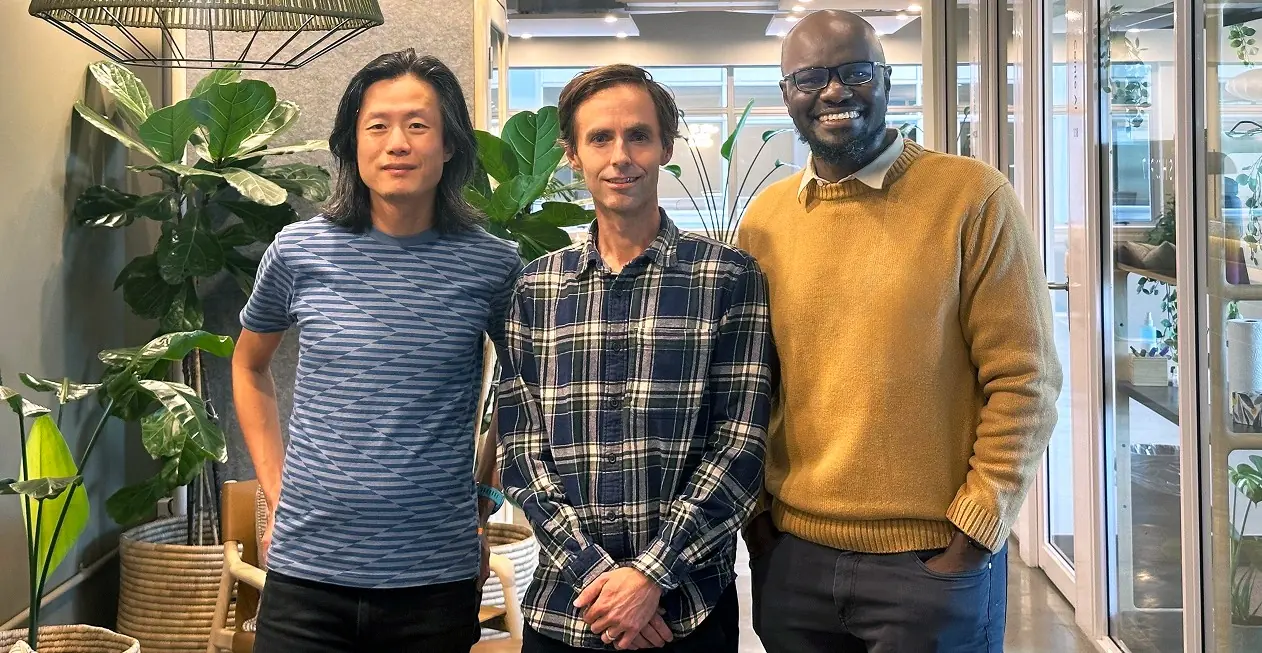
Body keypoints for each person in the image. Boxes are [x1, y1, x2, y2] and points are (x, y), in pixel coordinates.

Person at [738, 10, 1062, 653]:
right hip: (794, 560)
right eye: (810, 77)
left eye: (855, 72)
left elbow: (1026, 377)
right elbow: (754, 380)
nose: (834, 91)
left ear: (887, 79)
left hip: (930, 561)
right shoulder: (768, 218)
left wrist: (975, 530)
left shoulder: (970, 196)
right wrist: (758, 520)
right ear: (787, 94)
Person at [231, 49, 521, 652]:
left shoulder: (491, 265)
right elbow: (248, 364)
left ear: (449, 148)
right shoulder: (298, 252)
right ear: (352, 146)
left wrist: (486, 494)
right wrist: (275, 488)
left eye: (418, 125)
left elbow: (524, 391)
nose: (397, 143)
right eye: (377, 126)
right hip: (307, 571)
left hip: (433, 579)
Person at [496, 64, 775, 653]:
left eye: (638, 136)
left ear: (665, 147)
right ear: (572, 155)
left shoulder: (727, 278)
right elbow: (520, 453)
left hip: (687, 613)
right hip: (567, 611)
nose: (620, 155)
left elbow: (741, 445)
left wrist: (651, 574)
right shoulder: (536, 288)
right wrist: (601, 581)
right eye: (600, 138)